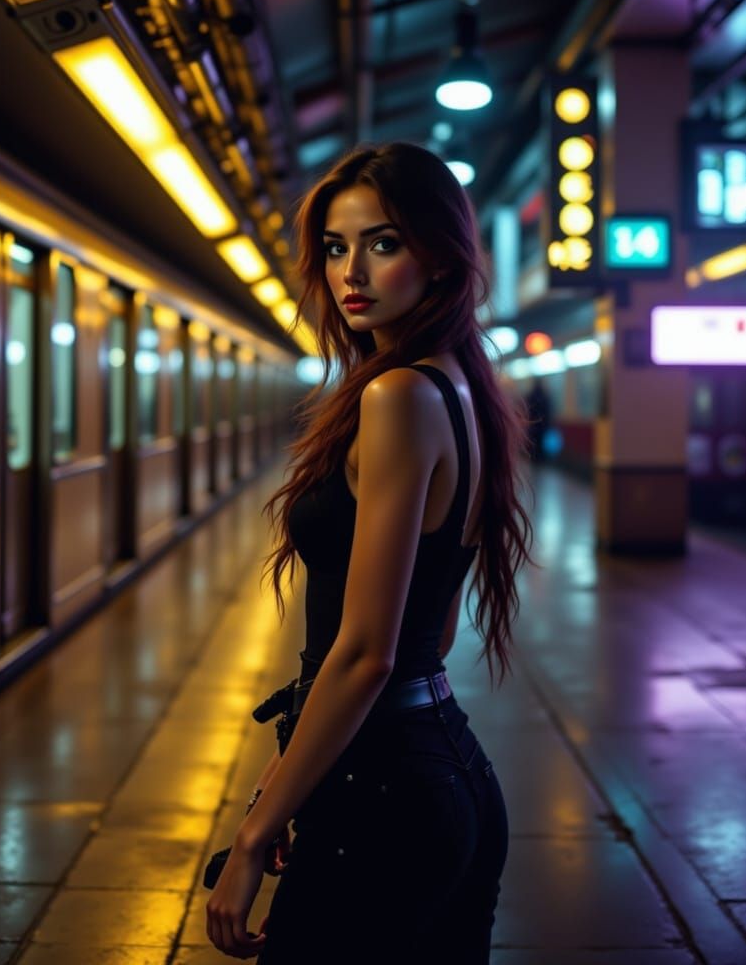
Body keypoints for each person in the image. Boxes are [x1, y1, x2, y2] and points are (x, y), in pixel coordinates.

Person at [205, 141, 533, 962]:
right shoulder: (461, 389)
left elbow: (364, 655)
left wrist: (255, 833)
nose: (353, 270)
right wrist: (296, 784)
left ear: (441, 256)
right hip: (441, 774)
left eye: (383, 243)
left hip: (383, 798)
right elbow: (432, 629)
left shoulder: (397, 396)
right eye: (336, 246)